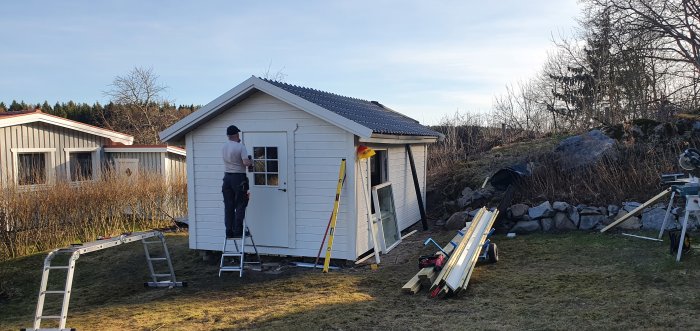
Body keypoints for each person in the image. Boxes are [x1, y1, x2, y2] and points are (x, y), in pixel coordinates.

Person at [222, 125, 252, 238]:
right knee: (241, 203)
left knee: (228, 206)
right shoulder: (240, 147)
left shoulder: (224, 147)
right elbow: (245, 163)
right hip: (238, 178)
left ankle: (229, 231)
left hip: (227, 179)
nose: (239, 136)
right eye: (238, 134)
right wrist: (251, 161)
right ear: (235, 135)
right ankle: (238, 231)